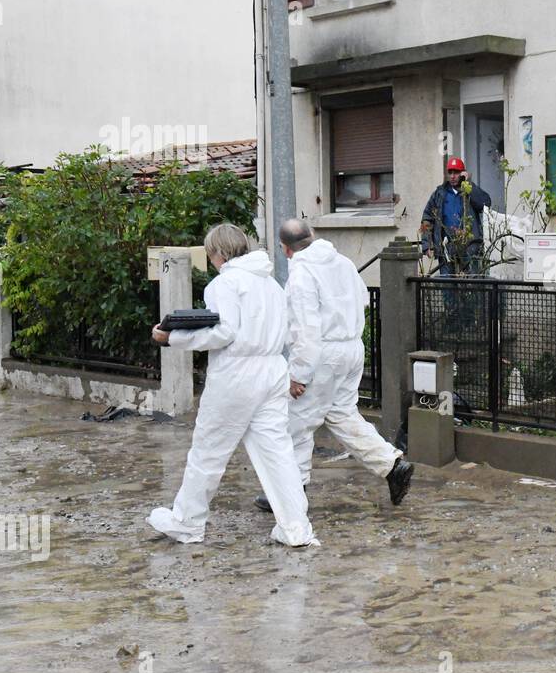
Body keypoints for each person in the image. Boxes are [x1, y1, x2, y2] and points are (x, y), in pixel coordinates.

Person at [147, 224, 317, 547]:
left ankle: (188, 522)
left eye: (211, 253)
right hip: (272, 371)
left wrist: (174, 337)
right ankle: (296, 527)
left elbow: (225, 332)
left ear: (220, 253)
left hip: (237, 372)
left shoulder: (224, 283)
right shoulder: (271, 284)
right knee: (278, 453)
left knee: (208, 450)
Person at [253, 219, 414, 514]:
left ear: (285, 249)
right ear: (313, 237)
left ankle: (291, 493)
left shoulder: (301, 273)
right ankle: (392, 466)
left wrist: (298, 374)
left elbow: (305, 329)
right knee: (342, 415)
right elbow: (364, 300)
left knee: (295, 423)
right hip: (352, 347)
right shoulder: (343, 262)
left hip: (322, 353)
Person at [419, 157, 491, 276]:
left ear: (463, 173)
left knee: (473, 287)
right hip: (446, 250)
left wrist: (469, 185)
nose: (452, 176)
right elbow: (427, 217)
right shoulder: (439, 194)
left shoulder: (469, 191)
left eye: (456, 172)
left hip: (469, 248)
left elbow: (486, 204)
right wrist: (427, 244)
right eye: (450, 172)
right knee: (448, 287)